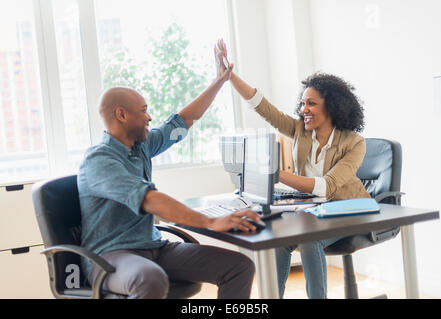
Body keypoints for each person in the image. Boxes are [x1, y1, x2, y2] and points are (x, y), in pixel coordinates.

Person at [77, 47, 262, 299]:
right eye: (143, 110)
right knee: (150, 279)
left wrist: (219, 81)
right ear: (121, 115)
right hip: (112, 256)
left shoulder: (139, 146)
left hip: (154, 247)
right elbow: (149, 199)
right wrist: (209, 221)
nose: (149, 117)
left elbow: (183, 121)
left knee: (239, 267)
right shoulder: (98, 160)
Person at [214, 39, 370, 299]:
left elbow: (327, 186)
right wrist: (230, 77)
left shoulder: (354, 143)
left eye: (311, 104)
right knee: (280, 239)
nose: (303, 110)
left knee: (309, 241)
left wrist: (274, 172)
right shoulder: (301, 130)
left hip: (349, 212)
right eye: (303, 103)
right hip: (313, 212)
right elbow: (264, 108)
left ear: (331, 107)